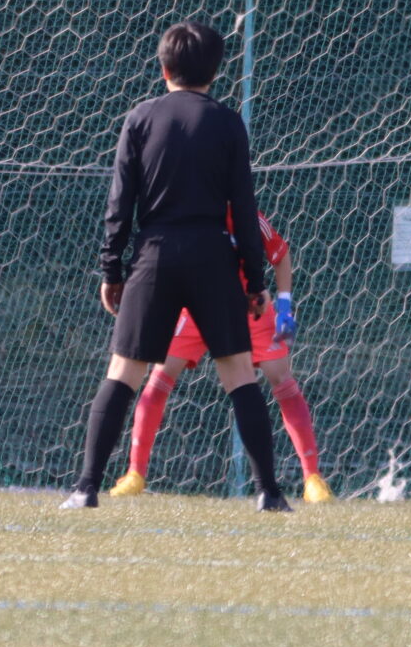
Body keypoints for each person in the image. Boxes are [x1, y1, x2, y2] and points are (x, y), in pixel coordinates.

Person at [63, 20, 288, 512]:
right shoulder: (228, 123)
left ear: (164, 68)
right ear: (216, 71)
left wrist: (111, 270)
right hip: (213, 256)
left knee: (124, 371)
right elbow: (243, 208)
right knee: (239, 373)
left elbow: (119, 204)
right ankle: (269, 493)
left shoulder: (140, 118)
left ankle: (85, 489)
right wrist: (255, 281)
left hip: (155, 255)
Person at [109, 207, 331, 503]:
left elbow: (280, 254)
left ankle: (312, 478)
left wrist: (284, 306)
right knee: (161, 373)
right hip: (195, 303)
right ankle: (135, 473)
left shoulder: (244, 212)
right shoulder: (189, 211)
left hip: (247, 304)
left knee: (279, 375)